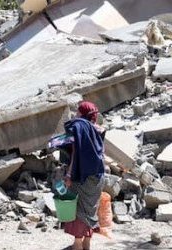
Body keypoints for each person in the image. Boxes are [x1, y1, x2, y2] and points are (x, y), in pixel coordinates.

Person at [63, 101, 106, 250]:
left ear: (81, 113)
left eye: (77, 111)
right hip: (98, 176)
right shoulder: (98, 129)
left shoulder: (79, 128)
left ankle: (77, 243)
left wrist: (69, 175)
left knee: (79, 210)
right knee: (90, 210)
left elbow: (76, 154)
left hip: (83, 177)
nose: (75, 114)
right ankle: (87, 242)